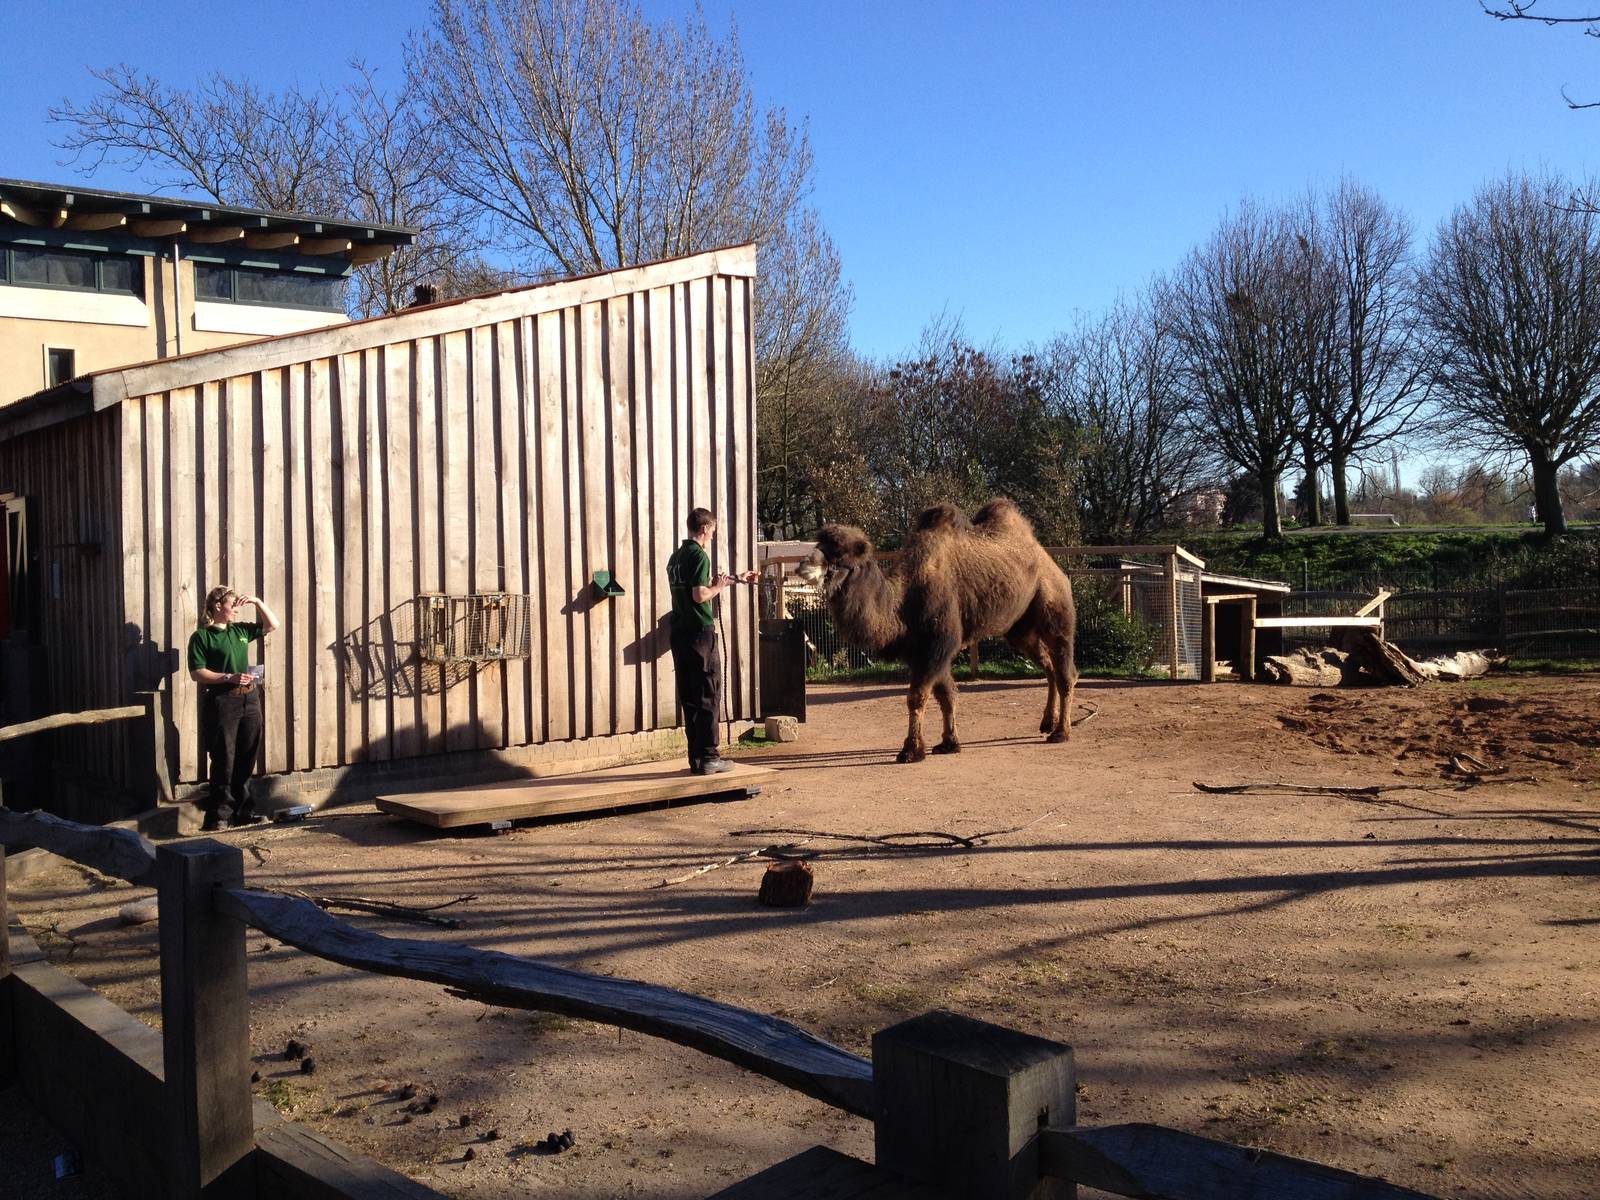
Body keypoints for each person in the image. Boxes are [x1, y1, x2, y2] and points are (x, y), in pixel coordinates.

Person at [666, 508, 757, 775]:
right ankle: (709, 756)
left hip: (680, 634)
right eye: (713, 531)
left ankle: (696, 758)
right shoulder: (699, 555)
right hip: (700, 634)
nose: (713, 536)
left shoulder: (676, 557)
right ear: (705, 529)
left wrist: (735, 578)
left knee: (690, 696)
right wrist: (719, 587)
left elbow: (694, 588)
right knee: (708, 693)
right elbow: (699, 595)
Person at [187, 586, 279, 830]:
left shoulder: (240, 630)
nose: (237, 610)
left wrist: (257, 601)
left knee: (247, 755)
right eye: (233, 605)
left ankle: (244, 812)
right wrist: (228, 677)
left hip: (250, 699)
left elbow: (273, 625)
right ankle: (219, 815)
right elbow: (197, 672)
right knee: (224, 757)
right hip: (223, 700)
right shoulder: (202, 637)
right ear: (218, 606)